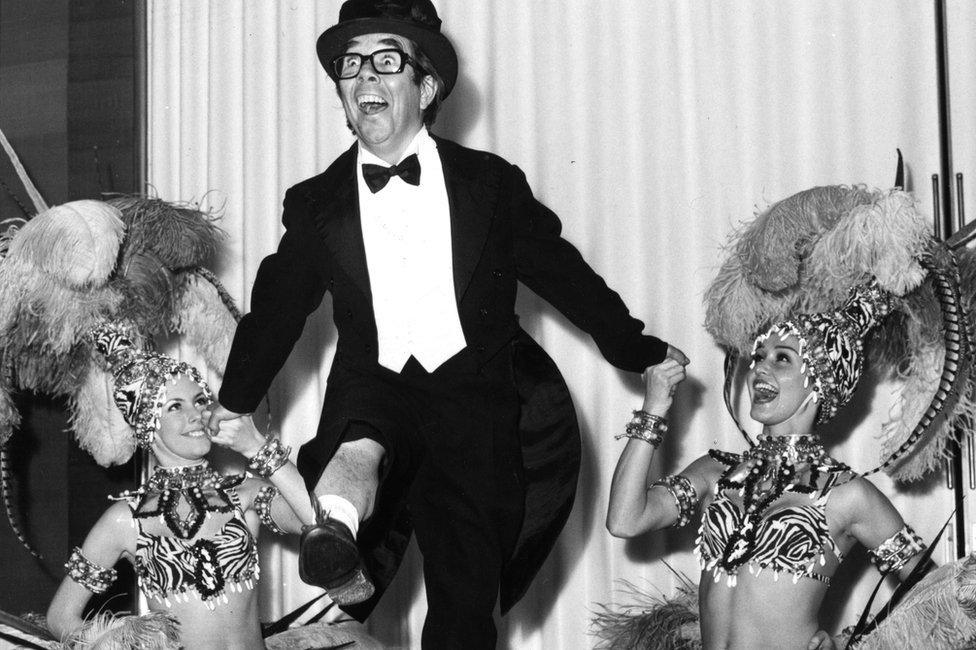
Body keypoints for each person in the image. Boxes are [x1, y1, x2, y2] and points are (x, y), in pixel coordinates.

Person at [206, 0, 686, 646]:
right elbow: (276, 310)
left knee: (464, 607)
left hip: (472, 408)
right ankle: (337, 530)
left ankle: (360, 543)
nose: (365, 80)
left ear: (426, 85)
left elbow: (563, 274)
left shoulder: (489, 186)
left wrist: (636, 348)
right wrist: (231, 404)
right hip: (375, 387)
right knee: (358, 443)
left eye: (385, 61)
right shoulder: (318, 205)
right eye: (351, 67)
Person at [604, 184, 974, 649]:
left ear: (822, 380)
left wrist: (849, 643)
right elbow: (625, 519)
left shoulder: (848, 496)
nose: (759, 367)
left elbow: (935, 594)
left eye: (781, 358)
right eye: (759, 356)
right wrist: (653, 407)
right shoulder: (718, 472)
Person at [45, 324, 315, 649]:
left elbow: (319, 520)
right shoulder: (125, 519)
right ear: (148, 427)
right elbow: (60, 618)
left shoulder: (244, 495)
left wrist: (255, 447)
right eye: (175, 406)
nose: (198, 414)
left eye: (200, 401)